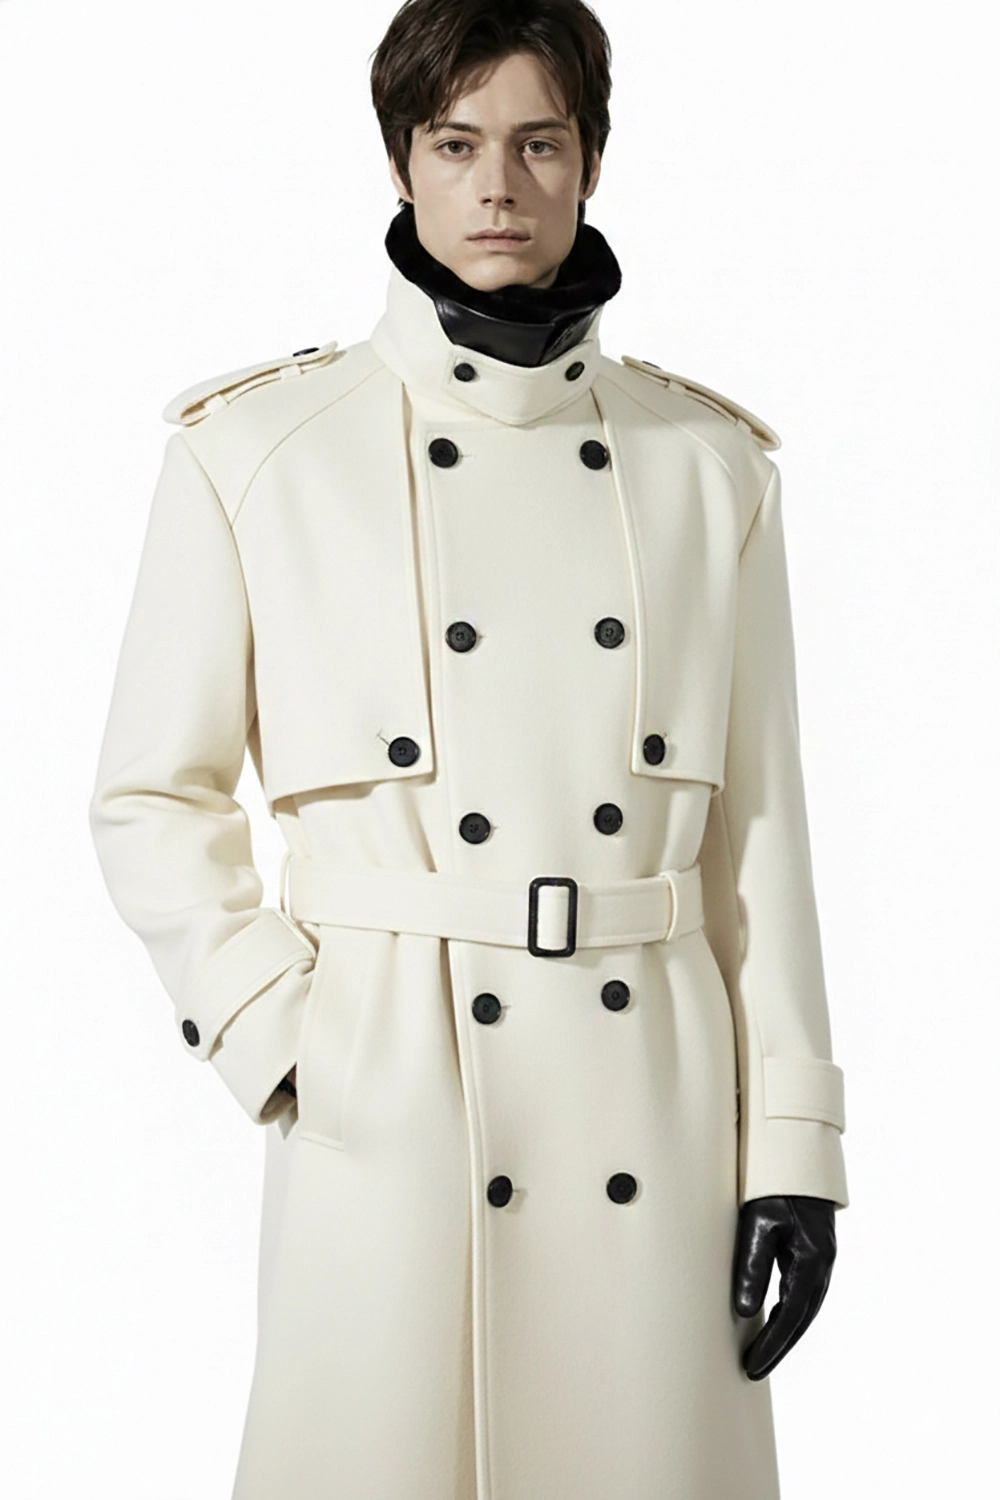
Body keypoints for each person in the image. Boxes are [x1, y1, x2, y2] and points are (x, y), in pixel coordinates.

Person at [89, 2, 848, 1496]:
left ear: (591, 163)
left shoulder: (709, 469)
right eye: (455, 145)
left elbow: (760, 841)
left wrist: (794, 1147)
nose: (498, 186)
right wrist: (284, 1037)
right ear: (401, 165)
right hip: (393, 1102)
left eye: (537, 144)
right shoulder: (258, 454)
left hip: (655, 1104)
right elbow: (151, 794)